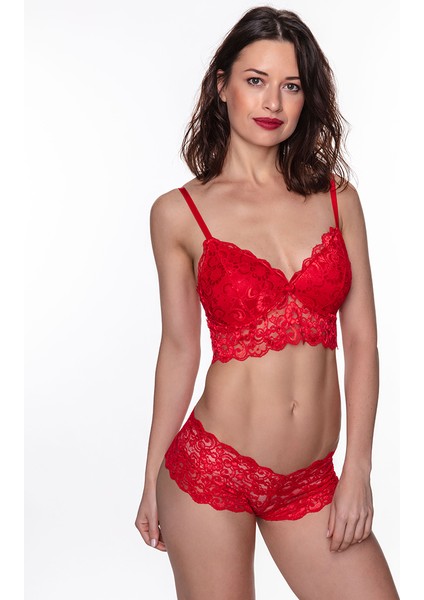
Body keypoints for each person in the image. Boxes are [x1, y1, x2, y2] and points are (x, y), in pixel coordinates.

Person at [135, 6, 399, 599]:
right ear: (222, 85)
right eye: (256, 80)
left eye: (291, 85)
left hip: (311, 481)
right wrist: (151, 476)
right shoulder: (178, 213)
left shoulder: (337, 198)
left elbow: (362, 340)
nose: (273, 102)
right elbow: (178, 349)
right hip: (211, 473)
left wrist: (358, 468)